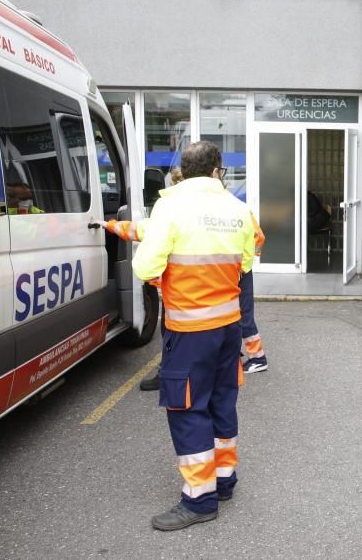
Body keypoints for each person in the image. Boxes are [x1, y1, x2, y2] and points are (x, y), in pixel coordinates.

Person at [132, 141, 255, 530]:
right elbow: (246, 264)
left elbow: (145, 266)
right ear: (219, 170)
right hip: (228, 326)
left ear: (184, 171)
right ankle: (223, 481)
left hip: (189, 329)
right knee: (222, 400)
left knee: (187, 409)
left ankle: (199, 501)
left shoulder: (170, 207)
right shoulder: (239, 210)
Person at [96, 167, 269, 387]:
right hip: (219, 288)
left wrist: (241, 269)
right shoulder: (234, 208)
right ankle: (214, 366)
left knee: (202, 333)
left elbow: (143, 243)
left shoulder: (173, 210)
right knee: (224, 337)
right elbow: (141, 230)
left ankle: (253, 357)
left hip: (192, 295)